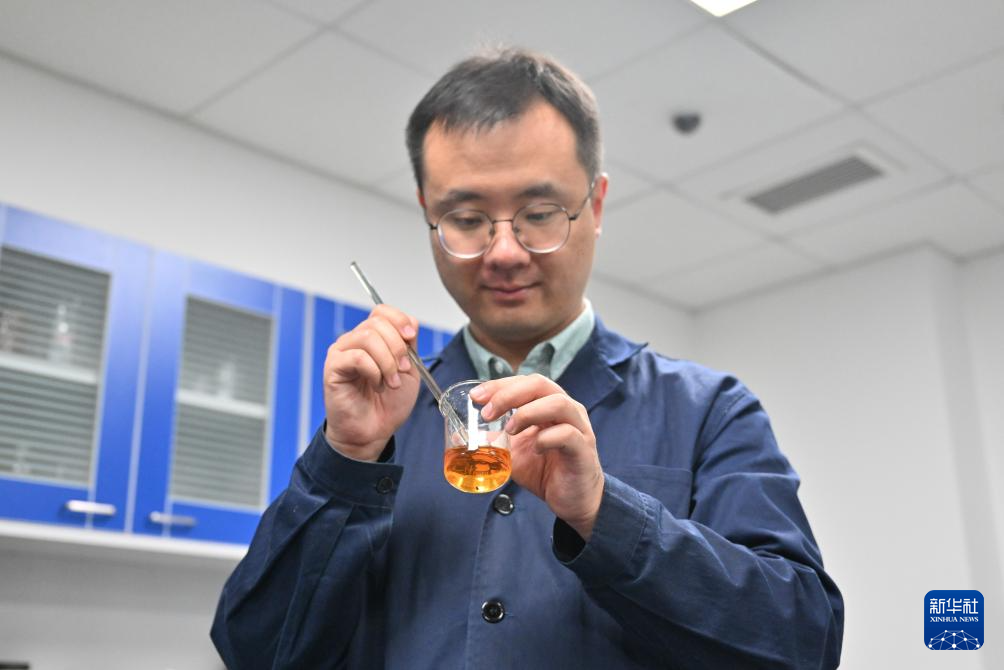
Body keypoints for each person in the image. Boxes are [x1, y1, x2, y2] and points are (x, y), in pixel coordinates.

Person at [211, 48, 844, 669]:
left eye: (539, 214)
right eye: (466, 218)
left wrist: (604, 514)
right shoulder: (378, 423)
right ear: (429, 214)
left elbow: (802, 644)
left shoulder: (708, 411)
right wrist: (345, 462)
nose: (505, 252)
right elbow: (255, 652)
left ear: (596, 205)